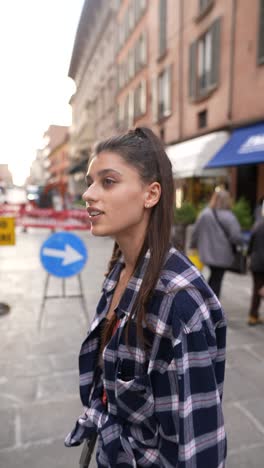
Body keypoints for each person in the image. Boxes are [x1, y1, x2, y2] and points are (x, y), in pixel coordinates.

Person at [65, 128, 227, 467]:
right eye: (90, 182)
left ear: (151, 194)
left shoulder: (179, 301)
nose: (89, 194)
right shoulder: (119, 271)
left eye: (108, 182)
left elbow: (200, 447)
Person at [190, 188, 242, 298]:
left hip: (206, 253)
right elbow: (237, 236)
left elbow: (195, 232)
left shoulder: (205, 214)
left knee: (213, 277)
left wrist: (192, 246)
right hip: (223, 255)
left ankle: (206, 300)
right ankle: (212, 304)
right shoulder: (230, 217)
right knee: (217, 279)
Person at [247, 214, 264, 325]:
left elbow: (250, 244)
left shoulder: (258, 225)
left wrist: (250, 255)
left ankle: (253, 315)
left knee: (256, 289)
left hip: (256, 262)